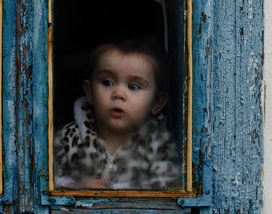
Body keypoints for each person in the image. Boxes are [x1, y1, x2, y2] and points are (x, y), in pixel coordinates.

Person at [53, 35, 181, 190]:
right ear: (90, 92)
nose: (118, 93)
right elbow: (47, 184)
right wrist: (75, 187)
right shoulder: (67, 139)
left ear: (156, 103)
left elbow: (169, 196)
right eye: (108, 82)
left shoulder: (159, 147)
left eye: (133, 86)